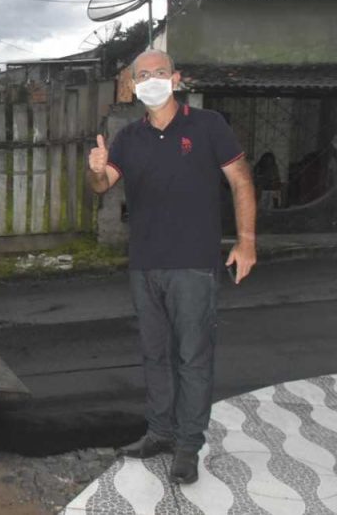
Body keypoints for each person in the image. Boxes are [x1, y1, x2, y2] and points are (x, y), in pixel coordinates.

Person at [87, 49, 256, 485]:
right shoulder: (127, 136)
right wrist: (96, 171)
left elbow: (240, 179)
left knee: (192, 357)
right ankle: (159, 433)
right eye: (142, 75)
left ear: (175, 78)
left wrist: (247, 241)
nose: (151, 80)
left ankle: (188, 445)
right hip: (144, 264)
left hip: (194, 263)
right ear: (133, 84)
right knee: (155, 354)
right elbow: (103, 186)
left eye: (158, 73)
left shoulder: (208, 125)